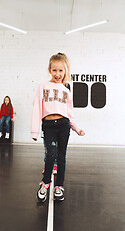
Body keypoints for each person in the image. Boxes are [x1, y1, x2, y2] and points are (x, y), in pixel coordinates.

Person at [31, 52, 85, 202]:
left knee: (61, 156)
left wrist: (76, 128)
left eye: (61, 70)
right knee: (50, 154)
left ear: (65, 71)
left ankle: (59, 186)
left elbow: (70, 113)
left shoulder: (66, 90)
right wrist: (34, 130)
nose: (57, 74)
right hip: (48, 125)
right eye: (54, 70)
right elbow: (37, 108)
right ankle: (45, 183)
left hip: (63, 125)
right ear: (50, 70)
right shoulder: (42, 87)